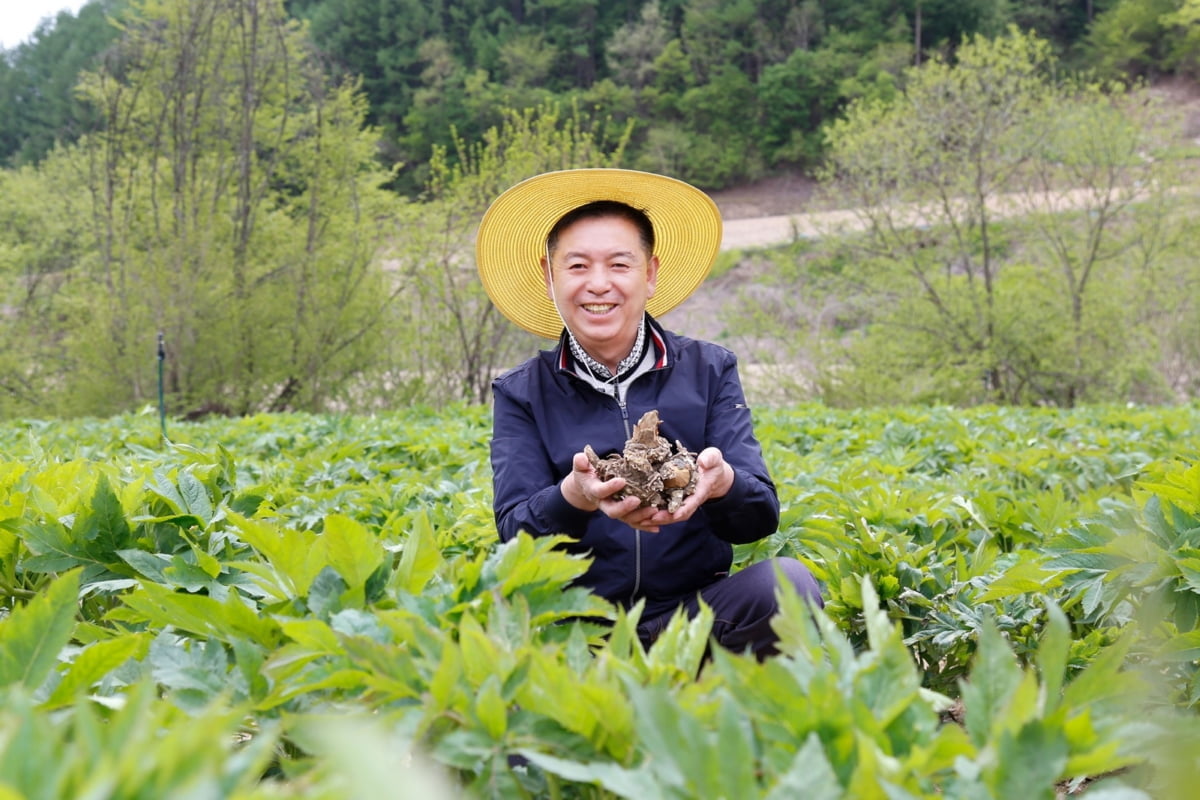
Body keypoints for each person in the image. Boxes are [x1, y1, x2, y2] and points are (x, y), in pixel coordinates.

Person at [476, 168, 822, 660]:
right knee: (486, 630)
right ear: (549, 276)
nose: (599, 284)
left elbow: (759, 517)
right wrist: (574, 496)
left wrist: (722, 483)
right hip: (580, 633)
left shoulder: (708, 369)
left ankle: (743, 714)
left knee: (785, 585)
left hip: (692, 619)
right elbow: (514, 533)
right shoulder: (521, 393)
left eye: (619, 264)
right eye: (577, 267)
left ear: (650, 273)